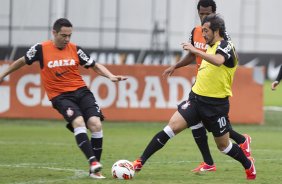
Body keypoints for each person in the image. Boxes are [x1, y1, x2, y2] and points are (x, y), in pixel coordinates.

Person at [0, 18, 127, 179]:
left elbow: (94, 65)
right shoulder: (40, 49)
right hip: (60, 96)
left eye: (69, 35)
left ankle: (95, 171)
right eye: (63, 35)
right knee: (79, 122)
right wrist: (3, 74)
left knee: (95, 124)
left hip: (82, 91)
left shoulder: (75, 49)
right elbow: (21, 62)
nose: (67, 39)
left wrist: (110, 76)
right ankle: (93, 162)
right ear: (54, 32)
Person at [133, 14, 256, 180]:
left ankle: (248, 165)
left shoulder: (226, 46)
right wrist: (177, 65)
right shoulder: (209, 46)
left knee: (224, 147)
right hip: (196, 99)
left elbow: (219, 61)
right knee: (171, 128)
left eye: (206, 30)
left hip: (216, 106)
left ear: (216, 30)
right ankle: (139, 162)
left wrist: (195, 50)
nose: (203, 34)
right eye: (202, 30)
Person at [161, 0, 252, 172]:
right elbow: (191, 55)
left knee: (215, 127)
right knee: (197, 121)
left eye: (207, 14)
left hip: (215, 88)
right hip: (200, 85)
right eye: (201, 14)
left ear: (214, 13)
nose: (204, 17)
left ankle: (238, 144)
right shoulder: (196, 32)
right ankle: (211, 160)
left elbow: (228, 57)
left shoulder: (220, 36)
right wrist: (176, 65)